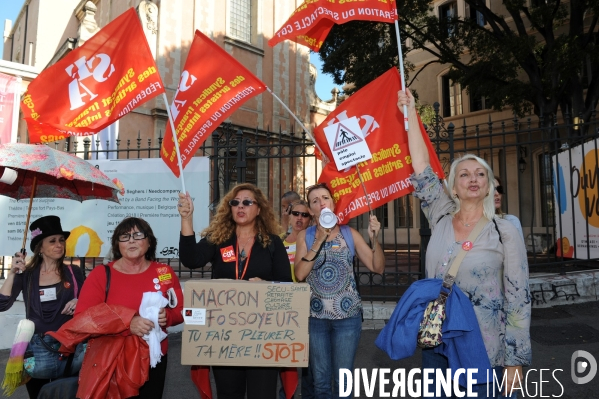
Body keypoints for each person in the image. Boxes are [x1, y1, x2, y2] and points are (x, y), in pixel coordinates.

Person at [398, 88, 531, 398]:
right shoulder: (440, 216)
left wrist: (515, 361)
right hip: (437, 343)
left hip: (484, 347)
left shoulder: (504, 230)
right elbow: (420, 166)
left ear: (488, 187)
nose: (473, 179)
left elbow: (519, 298)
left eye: (480, 174)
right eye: (464, 174)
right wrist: (411, 114)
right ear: (453, 188)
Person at [178, 183, 293, 399]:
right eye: (235, 202)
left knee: (262, 395)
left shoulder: (273, 243)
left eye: (247, 202)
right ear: (229, 208)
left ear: (259, 209)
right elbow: (191, 259)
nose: (241, 206)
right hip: (225, 336)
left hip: (262, 335)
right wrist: (187, 218)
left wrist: (266, 287)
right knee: (229, 394)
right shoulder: (218, 239)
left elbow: (286, 285)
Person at [57, 217, 184, 399]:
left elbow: (180, 310)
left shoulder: (164, 272)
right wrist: (128, 323)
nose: (131, 240)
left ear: (149, 242)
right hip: (112, 359)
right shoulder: (101, 274)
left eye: (138, 235)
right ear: (117, 244)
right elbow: (83, 318)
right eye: (124, 236)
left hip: (154, 359)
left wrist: (168, 317)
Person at [294, 184, 385, 399]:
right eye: (315, 200)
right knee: (321, 381)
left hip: (347, 318)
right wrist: (319, 240)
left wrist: (375, 239)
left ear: (333, 203)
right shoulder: (305, 236)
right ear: (311, 209)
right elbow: (300, 274)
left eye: (325, 197)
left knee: (343, 382)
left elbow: (377, 267)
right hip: (316, 318)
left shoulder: (348, 233)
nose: (321, 202)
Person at [0, 215, 84, 399]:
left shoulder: (73, 272)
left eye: (61, 240)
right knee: (39, 395)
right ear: (40, 247)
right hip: (36, 351)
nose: (59, 245)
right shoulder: (27, 275)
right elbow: (2, 304)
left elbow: (90, 302)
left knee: (66, 394)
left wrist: (79, 301)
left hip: (68, 348)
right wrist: (13, 273)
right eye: (52, 241)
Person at [279, 200, 313, 399]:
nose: (299, 218)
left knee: (310, 367)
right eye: (296, 213)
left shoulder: (313, 242)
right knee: (286, 364)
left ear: (310, 219)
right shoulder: (278, 243)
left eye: (305, 215)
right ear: (289, 215)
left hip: (309, 310)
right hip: (284, 311)